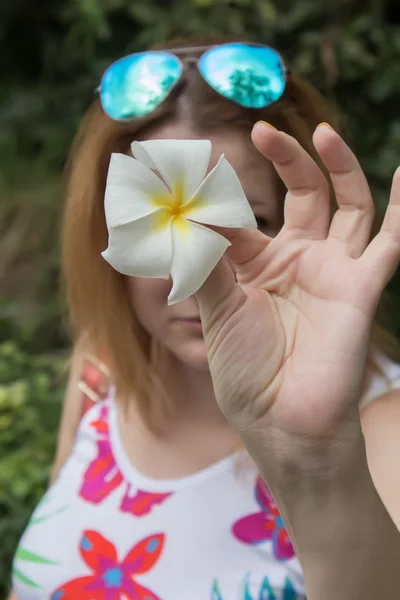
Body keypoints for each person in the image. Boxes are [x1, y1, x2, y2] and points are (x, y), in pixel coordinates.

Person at [10, 35, 400, 600]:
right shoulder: (102, 374)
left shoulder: (382, 431)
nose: (196, 273)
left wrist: (317, 457)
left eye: (245, 221)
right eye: (157, 225)